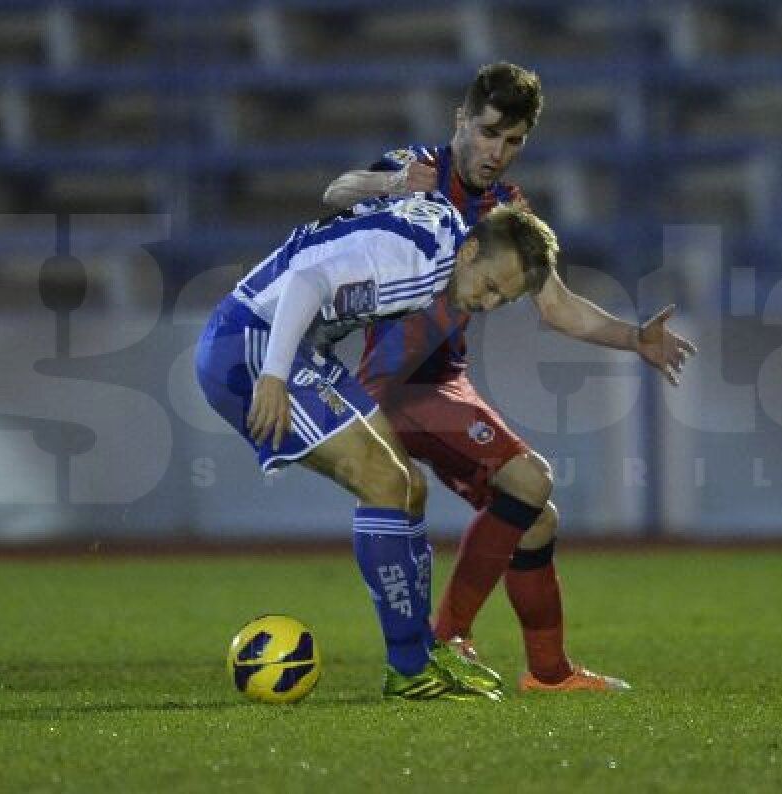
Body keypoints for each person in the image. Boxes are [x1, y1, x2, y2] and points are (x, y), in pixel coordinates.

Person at [323, 62, 697, 692]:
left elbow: (556, 307)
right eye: (490, 132)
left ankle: (549, 674)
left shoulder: (506, 208)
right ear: (461, 120)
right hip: (398, 382)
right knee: (530, 479)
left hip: (447, 381)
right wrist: (387, 183)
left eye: (514, 140)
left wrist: (635, 338)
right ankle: (447, 639)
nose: (498, 151)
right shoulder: (416, 170)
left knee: (538, 518)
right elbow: (336, 192)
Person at [196, 191, 567, 700]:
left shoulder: (445, 229)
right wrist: (274, 376)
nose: (489, 303)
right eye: (489, 286)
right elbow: (307, 281)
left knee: (410, 486)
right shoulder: (415, 266)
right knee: (386, 482)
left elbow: (402, 203)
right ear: (469, 252)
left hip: (301, 347)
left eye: (505, 299)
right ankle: (409, 668)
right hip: (252, 345)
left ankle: (421, 653)